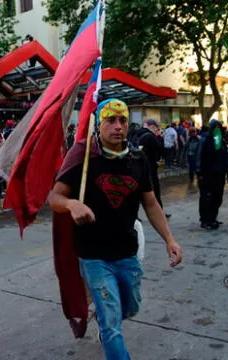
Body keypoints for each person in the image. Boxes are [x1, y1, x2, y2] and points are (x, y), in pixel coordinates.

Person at [49, 98, 183, 360]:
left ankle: (105, 314)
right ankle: (107, 326)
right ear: (98, 124)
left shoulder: (137, 159)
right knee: (112, 325)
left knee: (130, 306)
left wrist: (170, 239)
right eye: (110, 120)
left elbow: (151, 203)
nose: (118, 126)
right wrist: (72, 204)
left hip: (127, 252)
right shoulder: (83, 157)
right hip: (94, 256)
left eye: (123, 120)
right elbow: (54, 198)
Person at [196, 120, 228, 230]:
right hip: (207, 175)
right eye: (215, 127)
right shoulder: (205, 141)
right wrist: (199, 174)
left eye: (219, 127)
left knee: (217, 197)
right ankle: (205, 220)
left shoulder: (221, 141)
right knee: (207, 197)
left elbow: (225, 158)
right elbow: (199, 157)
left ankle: (213, 218)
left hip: (219, 175)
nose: (217, 130)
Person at [129, 119, 168, 217]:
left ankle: (134, 216)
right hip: (150, 167)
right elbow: (161, 150)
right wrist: (159, 137)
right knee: (155, 190)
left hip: (136, 167)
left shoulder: (135, 135)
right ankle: (160, 213)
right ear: (153, 126)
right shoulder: (151, 136)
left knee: (136, 192)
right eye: (156, 128)